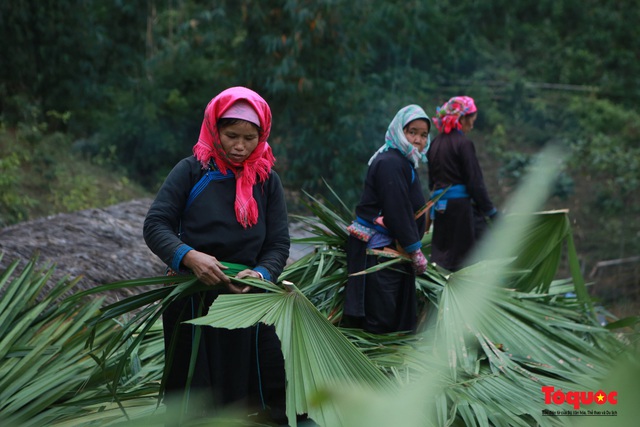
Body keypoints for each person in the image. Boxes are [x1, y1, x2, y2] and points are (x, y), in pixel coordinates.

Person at [143, 86, 290, 424]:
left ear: (262, 134)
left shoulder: (267, 182)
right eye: (231, 135)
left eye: (249, 137)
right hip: (192, 295)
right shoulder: (192, 170)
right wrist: (189, 256)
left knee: (262, 385)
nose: (240, 146)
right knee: (194, 393)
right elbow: (156, 224)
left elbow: (278, 244)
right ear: (215, 129)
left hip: (246, 298)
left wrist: (262, 275)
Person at [344, 104, 430, 334]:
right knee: (381, 316)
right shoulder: (391, 162)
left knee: (392, 314)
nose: (418, 139)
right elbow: (397, 209)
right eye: (412, 132)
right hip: (379, 254)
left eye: (423, 134)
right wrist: (415, 249)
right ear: (399, 131)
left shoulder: (402, 161)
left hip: (391, 251)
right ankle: (373, 364)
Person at [426, 96, 497, 271]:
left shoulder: (434, 144)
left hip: (441, 208)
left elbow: (431, 183)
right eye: (471, 121)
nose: (472, 126)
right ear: (461, 119)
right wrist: (491, 211)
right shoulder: (463, 144)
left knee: (444, 257)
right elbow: (475, 182)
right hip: (461, 209)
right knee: (471, 256)